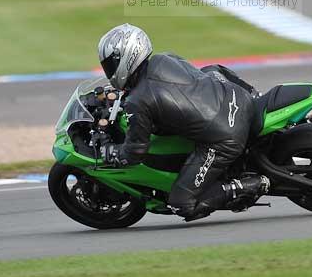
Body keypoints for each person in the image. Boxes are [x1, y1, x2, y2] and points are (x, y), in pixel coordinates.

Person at [97, 24, 270, 222]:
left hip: (225, 136)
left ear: (127, 57)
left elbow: (135, 152)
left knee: (181, 204)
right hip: (237, 97)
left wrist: (111, 153)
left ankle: (250, 184)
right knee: (210, 69)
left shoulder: (138, 102)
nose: (109, 70)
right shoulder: (164, 59)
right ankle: (256, 94)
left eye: (110, 64)